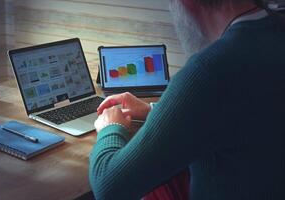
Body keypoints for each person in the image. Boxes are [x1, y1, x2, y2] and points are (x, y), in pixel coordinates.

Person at [89, 0, 285, 199]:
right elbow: (240, 113)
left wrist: (110, 127)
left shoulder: (209, 70)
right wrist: (156, 111)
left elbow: (109, 187)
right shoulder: (276, 29)